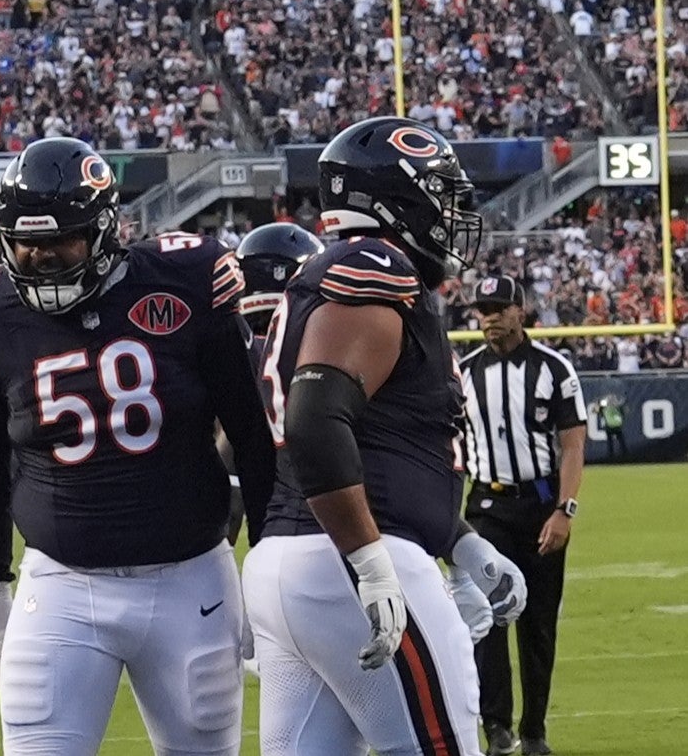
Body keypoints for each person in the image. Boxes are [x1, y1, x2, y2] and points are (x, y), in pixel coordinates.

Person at [0, 137, 275, 756]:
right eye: (24, 242)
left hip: (190, 580)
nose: (40, 256)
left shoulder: (185, 280)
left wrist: (264, 565)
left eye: (60, 240)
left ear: (104, 230)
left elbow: (252, 435)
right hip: (61, 583)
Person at [243, 116, 528, 756]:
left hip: (295, 558)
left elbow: (389, 448)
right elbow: (315, 420)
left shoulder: (342, 273)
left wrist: (461, 544)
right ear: (396, 202)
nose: (452, 215)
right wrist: (371, 565)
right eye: (440, 196)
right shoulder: (372, 265)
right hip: (352, 557)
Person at [460, 274, 587, 756]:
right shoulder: (464, 373)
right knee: (487, 618)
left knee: (538, 623)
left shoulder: (553, 368)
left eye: (498, 308)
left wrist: (565, 510)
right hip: (485, 506)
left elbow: (573, 445)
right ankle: (497, 728)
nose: (489, 318)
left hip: (539, 504)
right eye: (482, 310)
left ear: (520, 310)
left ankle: (534, 729)